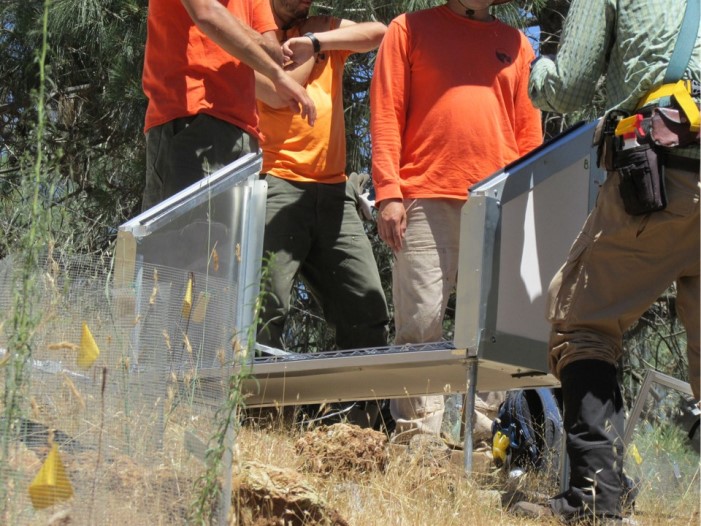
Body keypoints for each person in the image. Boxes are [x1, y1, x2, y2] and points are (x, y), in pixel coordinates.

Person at [516, 0, 700, 522]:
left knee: (583, 324)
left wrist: (535, 68)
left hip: (662, 181)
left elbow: (568, 87)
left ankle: (593, 504)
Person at [370, 0, 542, 439]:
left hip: (499, 203)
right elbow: (386, 112)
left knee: (494, 334)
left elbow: (530, 133)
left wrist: (529, 201)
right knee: (420, 325)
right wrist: (389, 192)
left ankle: (483, 447)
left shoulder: (517, 45)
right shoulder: (407, 29)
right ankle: (417, 447)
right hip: (424, 197)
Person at [254, 0, 390, 425]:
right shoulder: (253, 32)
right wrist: (303, 52)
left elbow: (379, 33)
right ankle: (254, 419)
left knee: (366, 305)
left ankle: (354, 424)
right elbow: (275, 94)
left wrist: (317, 40)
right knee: (266, 306)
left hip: (334, 191)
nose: (303, 4)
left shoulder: (320, 29)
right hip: (277, 182)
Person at [141, 0, 316, 211]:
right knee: (183, 237)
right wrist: (276, 73)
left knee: (230, 243)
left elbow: (273, 52)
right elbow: (205, 12)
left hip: (245, 135)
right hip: (190, 117)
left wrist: (224, 19)